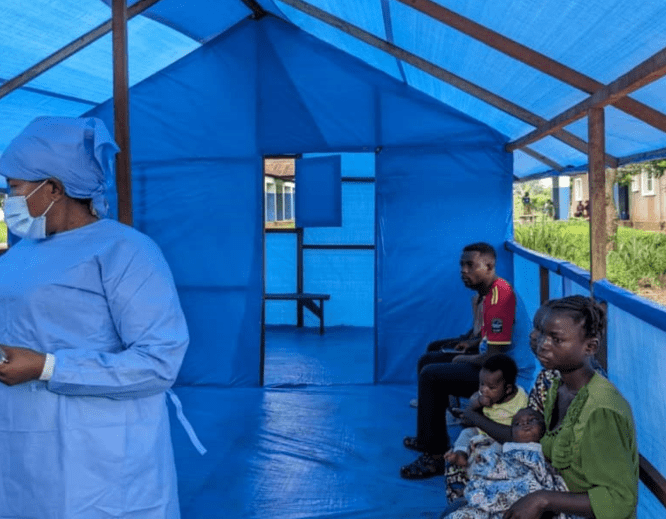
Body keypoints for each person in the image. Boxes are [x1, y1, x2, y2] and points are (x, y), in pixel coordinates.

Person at [0, 117, 191, 518]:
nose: (8, 199)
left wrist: (48, 367)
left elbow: (159, 361)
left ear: (53, 187)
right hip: (25, 448)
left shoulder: (125, 252)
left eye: (14, 188)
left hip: (101, 457)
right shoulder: (20, 254)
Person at [456, 296, 639, 519]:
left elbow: (620, 501)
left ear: (590, 347)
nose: (542, 344)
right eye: (542, 334)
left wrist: (542, 499)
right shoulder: (557, 388)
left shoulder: (601, 410)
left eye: (556, 339)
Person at [401, 243, 532, 479]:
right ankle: (428, 437)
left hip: (507, 379)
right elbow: (489, 339)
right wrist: (471, 345)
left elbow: (495, 357)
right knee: (428, 359)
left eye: (470, 265)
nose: (463, 270)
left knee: (432, 375)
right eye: (462, 265)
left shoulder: (500, 298)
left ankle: (436, 456)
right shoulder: (490, 293)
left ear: (489, 266)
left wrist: (463, 358)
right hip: (495, 365)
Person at [443, 408, 581, 519]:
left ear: (543, 427)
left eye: (532, 420)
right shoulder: (505, 450)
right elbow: (489, 470)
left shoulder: (543, 452)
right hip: (494, 497)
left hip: (526, 501)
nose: (525, 424)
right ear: (512, 433)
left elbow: (547, 481)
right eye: (518, 424)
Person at [443, 354, 528, 500]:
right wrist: (477, 403)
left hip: (499, 439)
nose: (484, 390)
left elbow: (516, 433)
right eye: (481, 384)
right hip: (480, 432)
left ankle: (475, 484)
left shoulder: (521, 401)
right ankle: (461, 455)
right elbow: (471, 408)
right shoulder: (482, 395)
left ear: (507, 389)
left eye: (491, 387)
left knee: (494, 453)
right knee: (465, 434)